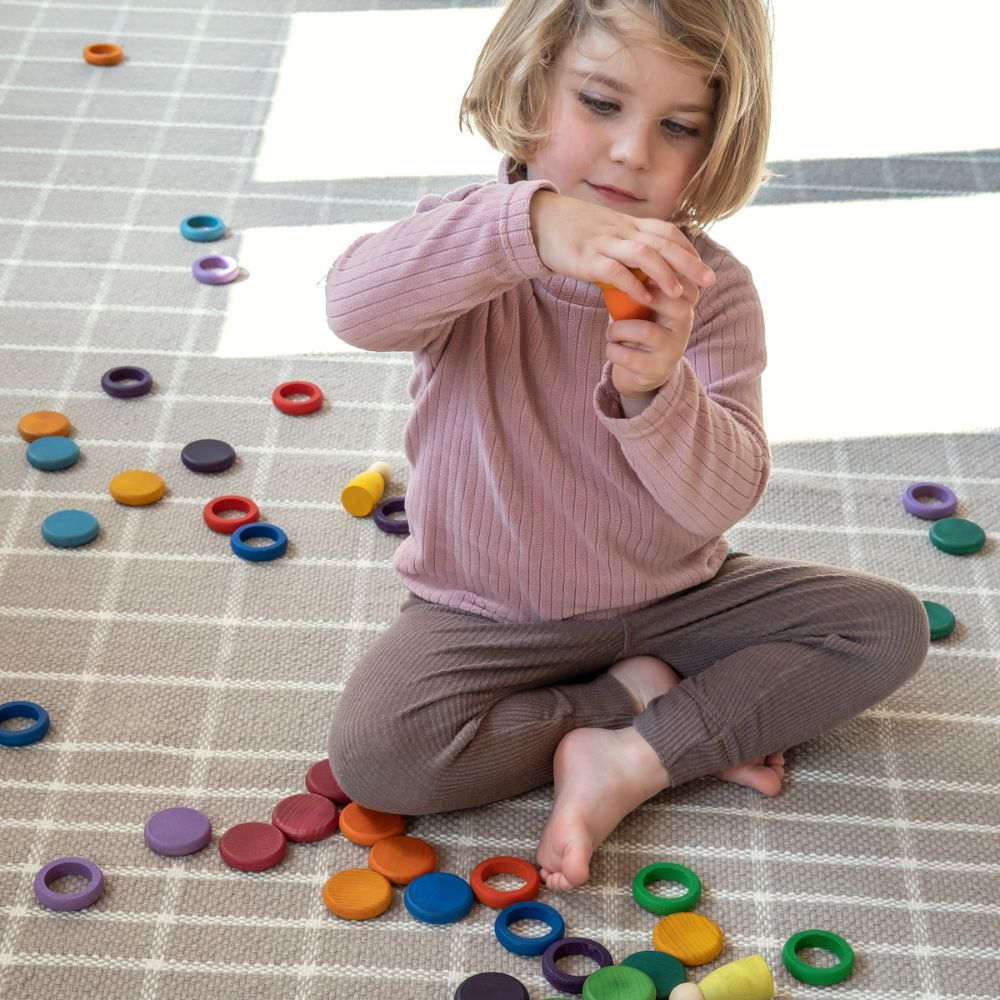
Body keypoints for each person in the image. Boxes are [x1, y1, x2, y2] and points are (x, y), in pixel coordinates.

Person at [324, 0, 928, 891]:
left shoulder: (710, 289)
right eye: (600, 104)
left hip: (678, 598)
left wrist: (657, 389)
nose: (631, 153)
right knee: (382, 758)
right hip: (488, 608)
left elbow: (720, 499)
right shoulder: (469, 244)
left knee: (884, 627)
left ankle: (633, 760)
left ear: (714, 146)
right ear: (530, 91)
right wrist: (521, 227)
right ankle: (632, 698)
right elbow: (352, 307)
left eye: (677, 126)